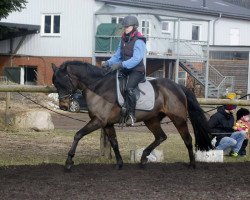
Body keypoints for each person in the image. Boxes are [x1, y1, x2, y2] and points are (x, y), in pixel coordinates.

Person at [102, 15, 146, 126]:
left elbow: (136, 59)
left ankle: (131, 115)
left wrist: (121, 64)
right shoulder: (123, 39)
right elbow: (117, 56)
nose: (126, 28)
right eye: (125, 26)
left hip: (137, 71)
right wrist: (108, 62)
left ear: (134, 27)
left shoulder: (139, 41)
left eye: (128, 26)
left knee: (129, 89)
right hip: (126, 69)